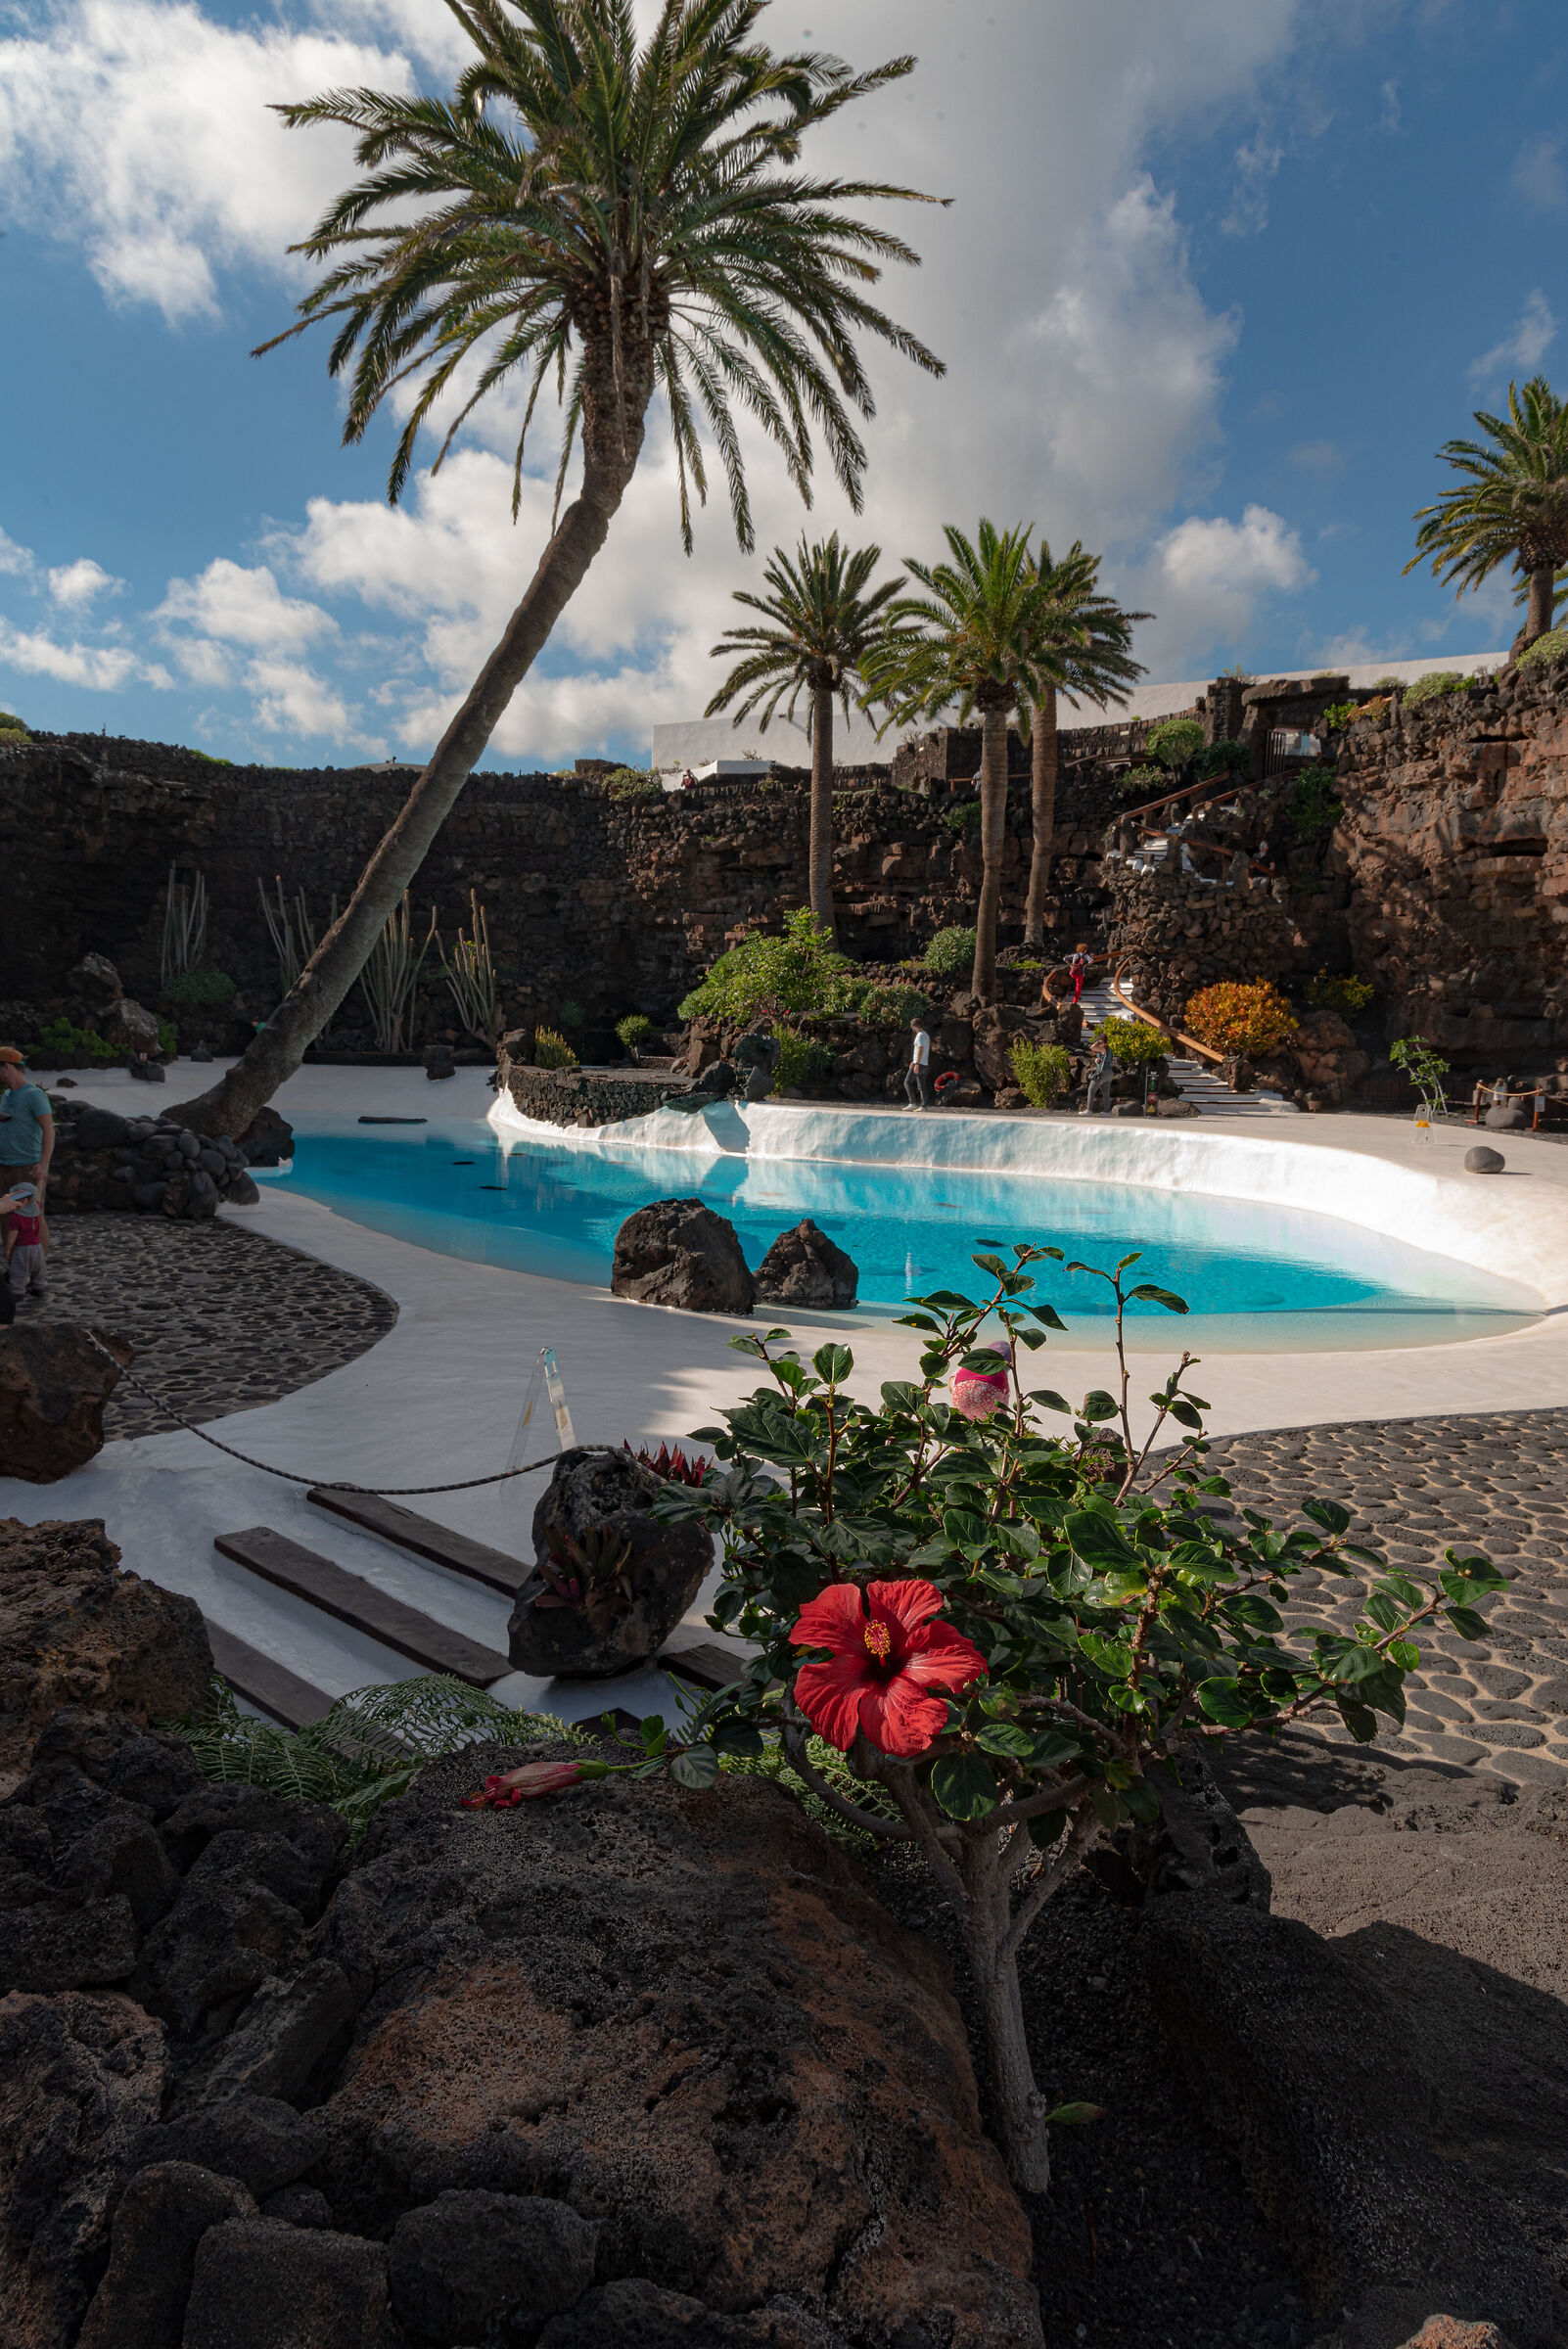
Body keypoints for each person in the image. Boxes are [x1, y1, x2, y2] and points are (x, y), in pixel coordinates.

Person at [0, 1048, 53, 1257]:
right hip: (4, 1165)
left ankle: (38, 1268)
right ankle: (16, 1267)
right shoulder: (6, 1095)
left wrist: (43, 1164)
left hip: (27, 1167)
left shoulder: (34, 1095)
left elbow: (49, 1130)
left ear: (5, 1067)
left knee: (32, 1217)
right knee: (7, 1218)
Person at [2, 1182, 46, 1301]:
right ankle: (39, 1288)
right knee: (39, 1270)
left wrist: (7, 1250)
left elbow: (13, 1234)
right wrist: (40, 1181)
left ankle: (18, 1292)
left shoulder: (16, 1217)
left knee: (18, 1270)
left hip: (23, 1248)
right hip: (37, 1247)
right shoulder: (37, 1207)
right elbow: (38, 1195)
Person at [1083, 1029, 1114, 1116]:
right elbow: (1106, 1059)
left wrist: (1098, 1042)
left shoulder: (1103, 1048)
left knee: (1091, 1090)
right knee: (1106, 1093)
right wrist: (1098, 1060)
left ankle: (1089, 1111)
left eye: (1099, 1040)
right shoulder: (1109, 1049)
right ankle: (1107, 1112)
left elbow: (1092, 1047)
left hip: (1102, 1073)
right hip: (1109, 1073)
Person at [904, 1016, 933, 1110]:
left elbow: (920, 1050)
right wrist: (914, 1061)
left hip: (920, 1064)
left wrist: (916, 1064)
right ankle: (924, 1106)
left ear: (915, 1026)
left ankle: (912, 1103)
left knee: (907, 1082)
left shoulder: (920, 1035)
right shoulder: (926, 1035)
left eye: (912, 1026)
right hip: (924, 1064)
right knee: (921, 1086)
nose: (911, 1028)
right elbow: (920, 1051)